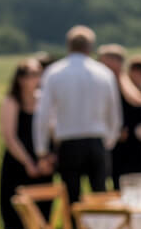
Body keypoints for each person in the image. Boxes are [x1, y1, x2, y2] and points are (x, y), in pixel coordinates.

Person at [33, 25, 122, 205]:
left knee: (72, 200)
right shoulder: (104, 73)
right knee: (100, 196)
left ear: (68, 46)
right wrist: (110, 140)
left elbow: (43, 114)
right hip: (97, 142)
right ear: (90, 47)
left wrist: (42, 149)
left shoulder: (54, 73)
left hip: (68, 143)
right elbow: (114, 112)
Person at [0, 59, 51, 229]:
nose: (34, 79)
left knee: (43, 217)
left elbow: (52, 131)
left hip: (42, 166)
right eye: (29, 75)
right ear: (20, 78)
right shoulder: (12, 102)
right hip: (18, 166)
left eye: (37, 74)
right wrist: (28, 162)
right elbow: (9, 137)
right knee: (16, 219)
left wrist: (47, 158)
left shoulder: (44, 101)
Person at [98, 44, 141, 186]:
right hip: (113, 142)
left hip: (131, 143)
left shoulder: (126, 81)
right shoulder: (101, 82)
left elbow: (138, 101)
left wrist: (119, 77)